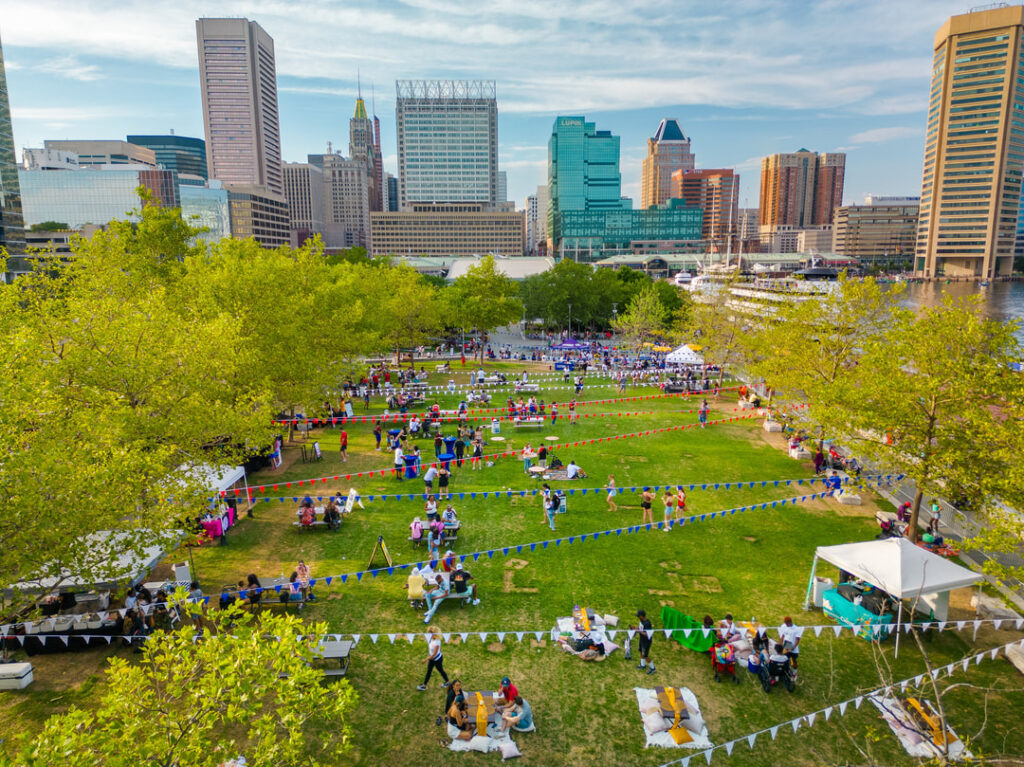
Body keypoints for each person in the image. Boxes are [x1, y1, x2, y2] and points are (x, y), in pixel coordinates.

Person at [417, 625, 450, 690]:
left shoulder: (437, 642)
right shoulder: (431, 639)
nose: (429, 636)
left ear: (434, 634)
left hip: (437, 659)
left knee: (440, 670)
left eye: (430, 634)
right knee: (429, 671)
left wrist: (425, 659)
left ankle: (447, 682)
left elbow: (434, 654)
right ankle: (424, 685)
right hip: (432, 658)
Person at [634, 609, 656, 675]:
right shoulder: (641, 621)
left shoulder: (647, 623)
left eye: (638, 616)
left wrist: (638, 631)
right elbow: (641, 628)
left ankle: (652, 668)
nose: (638, 617)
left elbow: (647, 634)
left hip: (646, 642)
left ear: (642, 616)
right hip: (642, 639)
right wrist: (636, 628)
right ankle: (642, 665)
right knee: (640, 651)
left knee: (645, 655)